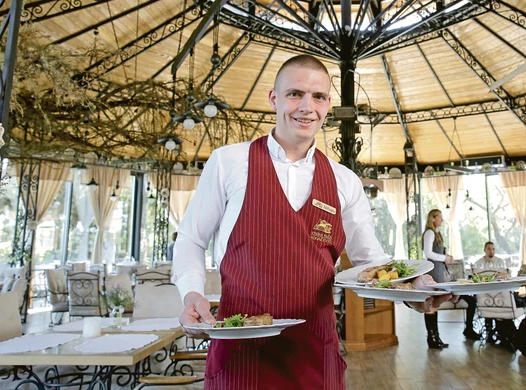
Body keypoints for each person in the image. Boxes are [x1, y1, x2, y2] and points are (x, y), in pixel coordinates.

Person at [172, 54, 456, 390]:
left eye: (318, 96)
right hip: (241, 355)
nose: (307, 106)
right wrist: (191, 294)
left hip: (315, 356)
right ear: (274, 98)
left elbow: (371, 262)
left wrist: (412, 289)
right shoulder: (228, 162)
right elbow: (191, 239)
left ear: (328, 104)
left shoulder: (344, 180)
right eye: (295, 94)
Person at [422, 209, 480, 346]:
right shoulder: (430, 233)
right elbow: (428, 253)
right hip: (434, 270)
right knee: (432, 302)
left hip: (439, 269)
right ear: (433, 219)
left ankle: (435, 338)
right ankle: (432, 338)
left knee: (434, 302)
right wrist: (445, 258)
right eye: (440, 217)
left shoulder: (437, 233)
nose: (442, 219)